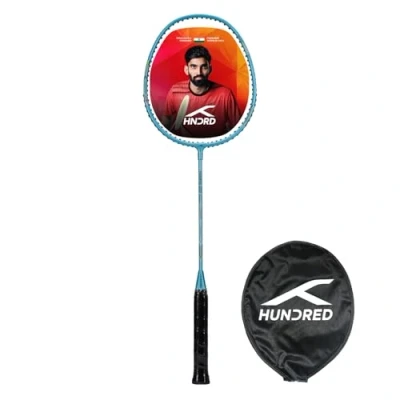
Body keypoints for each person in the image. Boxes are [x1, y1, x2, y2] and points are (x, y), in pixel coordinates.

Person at [161, 45, 241, 138]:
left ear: (210, 69)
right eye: (193, 67)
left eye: (204, 67)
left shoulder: (225, 95)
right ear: (186, 70)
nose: (199, 72)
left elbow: (238, 129)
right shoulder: (175, 92)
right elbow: (166, 119)